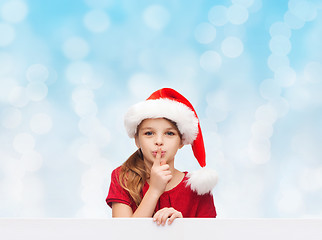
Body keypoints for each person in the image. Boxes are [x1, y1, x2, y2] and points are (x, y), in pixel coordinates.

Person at [106, 88, 218, 225]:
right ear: (137, 140)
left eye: (169, 133)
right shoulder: (123, 178)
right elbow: (123, 236)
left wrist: (181, 227)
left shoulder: (198, 189)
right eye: (149, 133)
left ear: (181, 141)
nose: (159, 141)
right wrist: (154, 190)